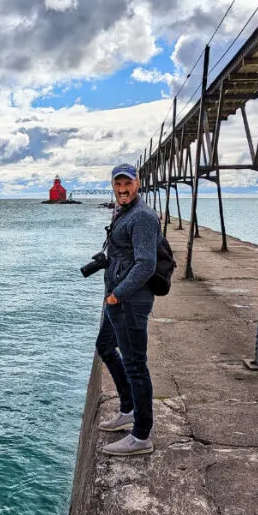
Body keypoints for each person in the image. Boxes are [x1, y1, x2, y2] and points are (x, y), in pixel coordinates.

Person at [95, 163, 161, 456]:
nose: (122, 189)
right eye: (117, 184)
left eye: (127, 184)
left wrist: (116, 295)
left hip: (130, 301)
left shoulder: (144, 217)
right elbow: (125, 253)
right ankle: (128, 408)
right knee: (106, 347)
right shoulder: (124, 211)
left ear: (138, 183)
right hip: (118, 297)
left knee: (135, 364)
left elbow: (146, 264)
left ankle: (141, 436)